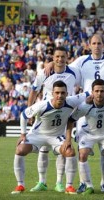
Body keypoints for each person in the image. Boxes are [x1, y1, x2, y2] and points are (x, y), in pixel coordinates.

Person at [11, 81, 87, 194]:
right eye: (57, 93)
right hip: (37, 135)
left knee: (70, 152)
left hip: (57, 137)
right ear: (52, 93)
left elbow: (90, 93)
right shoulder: (42, 105)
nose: (60, 95)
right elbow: (24, 115)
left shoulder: (72, 101)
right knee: (20, 150)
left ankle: (69, 186)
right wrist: (23, 134)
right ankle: (20, 185)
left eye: (62, 93)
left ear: (67, 94)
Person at [67, 34, 104, 193]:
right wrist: (49, 63)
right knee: (82, 151)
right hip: (87, 107)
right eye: (94, 43)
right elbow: (66, 68)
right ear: (89, 45)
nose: (97, 46)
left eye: (99, 43)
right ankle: (85, 183)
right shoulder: (81, 61)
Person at [28, 46, 80, 193]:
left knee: (61, 150)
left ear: (67, 57)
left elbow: (84, 85)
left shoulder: (74, 72)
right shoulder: (44, 72)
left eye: (63, 56)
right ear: (53, 57)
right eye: (57, 56)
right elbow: (34, 90)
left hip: (63, 114)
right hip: (45, 115)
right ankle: (42, 182)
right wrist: (30, 110)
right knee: (43, 149)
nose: (60, 59)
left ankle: (59, 182)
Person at [66, 79, 104, 195]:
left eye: (102, 91)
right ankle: (89, 186)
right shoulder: (86, 105)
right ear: (92, 92)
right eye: (96, 91)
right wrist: (68, 139)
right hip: (89, 134)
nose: (99, 94)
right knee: (82, 155)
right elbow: (71, 119)